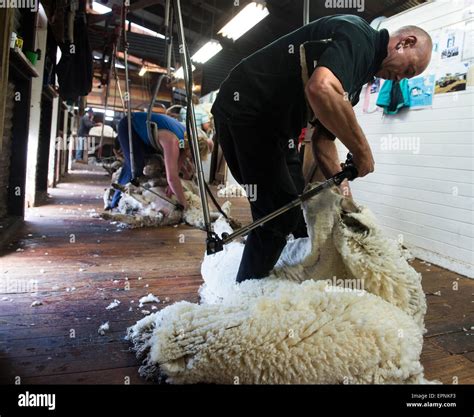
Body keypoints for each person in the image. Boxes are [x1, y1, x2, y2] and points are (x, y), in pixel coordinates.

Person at [211, 15, 432, 283]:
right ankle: (246, 293)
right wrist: (363, 152)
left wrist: (346, 198)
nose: (399, 80)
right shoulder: (358, 36)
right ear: (405, 42)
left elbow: (323, 141)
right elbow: (321, 88)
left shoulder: (357, 76)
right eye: (408, 71)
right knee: (275, 216)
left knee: (297, 213)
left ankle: (296, 275)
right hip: (247, 109)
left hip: (280, 130)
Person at [109, 112, 213, 210]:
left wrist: (172, 186)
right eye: (193, 155)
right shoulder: (173, 142)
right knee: (135, 166)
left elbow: (177, 167)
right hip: (130, 125)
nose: (191, 158)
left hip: (147, 133)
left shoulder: (187, 141)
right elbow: (172, 177)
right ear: (192, 148)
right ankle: (115, 202)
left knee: (152, 165)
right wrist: (183, 203)